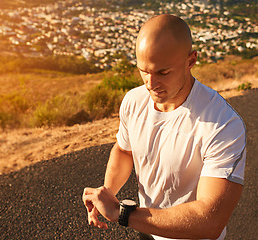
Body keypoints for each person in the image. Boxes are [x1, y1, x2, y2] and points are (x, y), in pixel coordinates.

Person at [82, 14, 246, 240]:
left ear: (191, 61)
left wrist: (122, 214)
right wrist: (107, 194)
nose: (150, 84)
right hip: (147, 230)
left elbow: (210, 220)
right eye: (144, 71)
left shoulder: (223, 124)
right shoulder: (133, 101)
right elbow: (124, 151)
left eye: (163, 72)